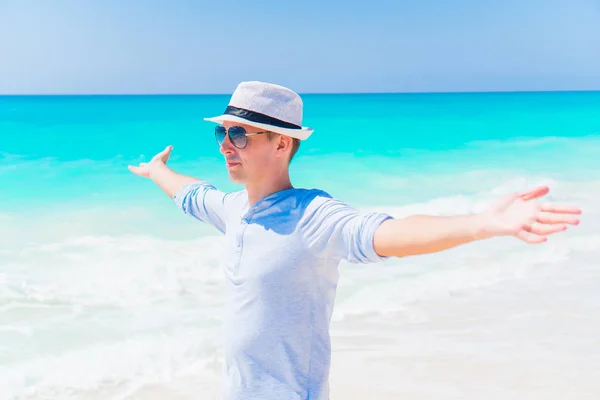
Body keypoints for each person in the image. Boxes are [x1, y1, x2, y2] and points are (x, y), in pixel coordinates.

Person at [128, 81, 582, 400]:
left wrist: (480, 223)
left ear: (283, 144)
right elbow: (191, 194)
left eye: (240, 134)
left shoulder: (314, 216)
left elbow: (388, 233)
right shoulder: (234, 210)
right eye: (221, 132)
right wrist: (157, 172)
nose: (226, 144)